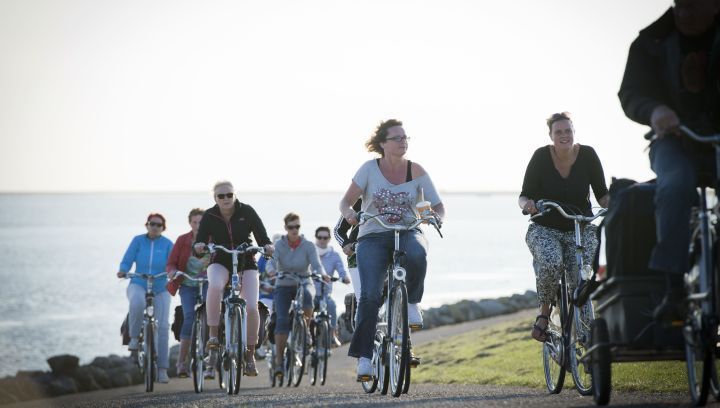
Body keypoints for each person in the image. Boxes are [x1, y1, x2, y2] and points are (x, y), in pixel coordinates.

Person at [618, 0, 720, 320]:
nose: (683, 14)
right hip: (672, 140)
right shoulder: (650, 41)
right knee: (675, 184)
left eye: (693, 6)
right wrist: (653, 110)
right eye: (680, 5)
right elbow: (630, 93)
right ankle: (672, 286)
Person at [339, 119, 445, 381]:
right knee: (370, 296)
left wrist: (435, 217)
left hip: (409, 230)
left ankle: (411, 303)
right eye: (396, 138)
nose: (402, 141)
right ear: (383, 144)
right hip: (373, 234)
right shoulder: (368, 169)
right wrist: (349, 213)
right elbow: (345, 202)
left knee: (418, 253)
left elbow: (438, 206)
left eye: (405, 137)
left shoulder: (416, 170)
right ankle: (365, 359)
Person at [519, 112, 609, 342]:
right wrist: (528, 205)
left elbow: (602, 195)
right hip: (544, 227)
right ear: (551, 135)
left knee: (580, 278)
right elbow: (523, 196)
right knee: (551, 262)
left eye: (568, 130)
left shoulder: (588, 155)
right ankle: (545, 312)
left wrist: (620, 205)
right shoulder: (540, 157)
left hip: (581, 227)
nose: (564, 135)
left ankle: (590, 344)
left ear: (573, 132)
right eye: (558, 131)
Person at [193, 181, 274, 377]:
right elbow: (200, 240)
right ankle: (213, 337)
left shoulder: (247, 211)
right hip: (220, 259)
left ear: (234, 195)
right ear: (215, 199)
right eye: (221, 196)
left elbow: (262, 236)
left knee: (252, 306)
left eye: (229, 195)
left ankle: (250, 355)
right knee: (214, 286)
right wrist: (199, 246)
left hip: (246, 260)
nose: (226, 199)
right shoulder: (209, 216)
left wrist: (267, 246)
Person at [266, 213, 327, 380]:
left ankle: (305, 330)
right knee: (282, 320)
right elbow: (271, 261)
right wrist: (271, 270)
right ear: (286, 228)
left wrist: (323, 274)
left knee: (308, 295)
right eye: (291, 227)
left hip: (303, 281)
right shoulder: (279, 245)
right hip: (284, 283)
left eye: (297, 227)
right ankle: (279, 362)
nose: (294, 230)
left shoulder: (308, 245)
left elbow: (316, 265)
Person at [116, 213, 174, 383]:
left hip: (161, 286)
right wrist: (123, 269)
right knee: (137, 302)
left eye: (159, 225)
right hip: (138, 282)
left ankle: (162, 369)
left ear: (163, 228)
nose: (155, 227)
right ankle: (134, 338)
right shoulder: (137, 240)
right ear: (147, 225)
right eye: (152, 224)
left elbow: (172, 264)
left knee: (162, 326)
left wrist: (173, 273)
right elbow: (127, 259)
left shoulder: (168, 244)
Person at [165, 208, 210, 378]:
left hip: (208, 283)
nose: (198, 225)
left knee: (210, 313)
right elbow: (171, 263)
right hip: (187, 284)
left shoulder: (213, 240)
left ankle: (210, 355)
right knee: (189, 316)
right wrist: (172, 272)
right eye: (195, 222)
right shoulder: (182, 240)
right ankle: (181, 363)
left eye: (201, 222)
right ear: (190, 223)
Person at [313, 226, 351, 347]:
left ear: (329, 239)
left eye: (325, 238)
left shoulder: (334, 255)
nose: (322, 240)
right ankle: (305, 335)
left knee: (332, 306)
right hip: (311, 292)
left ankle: (332, 335)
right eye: (319, 237)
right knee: (304, 307)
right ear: (316, 238)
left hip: (325, 294)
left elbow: (341, 268)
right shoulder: (310, 253)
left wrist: (344, 277)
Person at [334, 198, 362, 323]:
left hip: (387, 252)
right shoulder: (359, 202)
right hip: (356, 254)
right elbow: (338, 230)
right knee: (363, 298)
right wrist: (346, 244)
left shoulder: (396, 198)